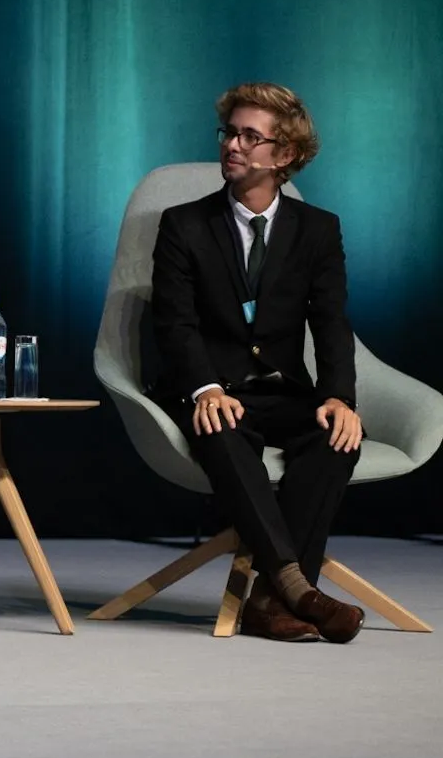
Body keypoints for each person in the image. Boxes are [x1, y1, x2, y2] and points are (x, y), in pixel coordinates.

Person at [149, 83, 364, 644]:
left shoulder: (318, 229)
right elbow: (174, 323)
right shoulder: (183, 224)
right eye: (229, 133)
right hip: (211, 389)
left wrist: (340, 397)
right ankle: (299, 591)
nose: (233, 146)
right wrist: (202, 388)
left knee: (336, 436)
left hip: (282, 389)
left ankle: (272, 601)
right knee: (222, 427)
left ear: (284, 154)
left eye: (250, 136)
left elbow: (332, 322)